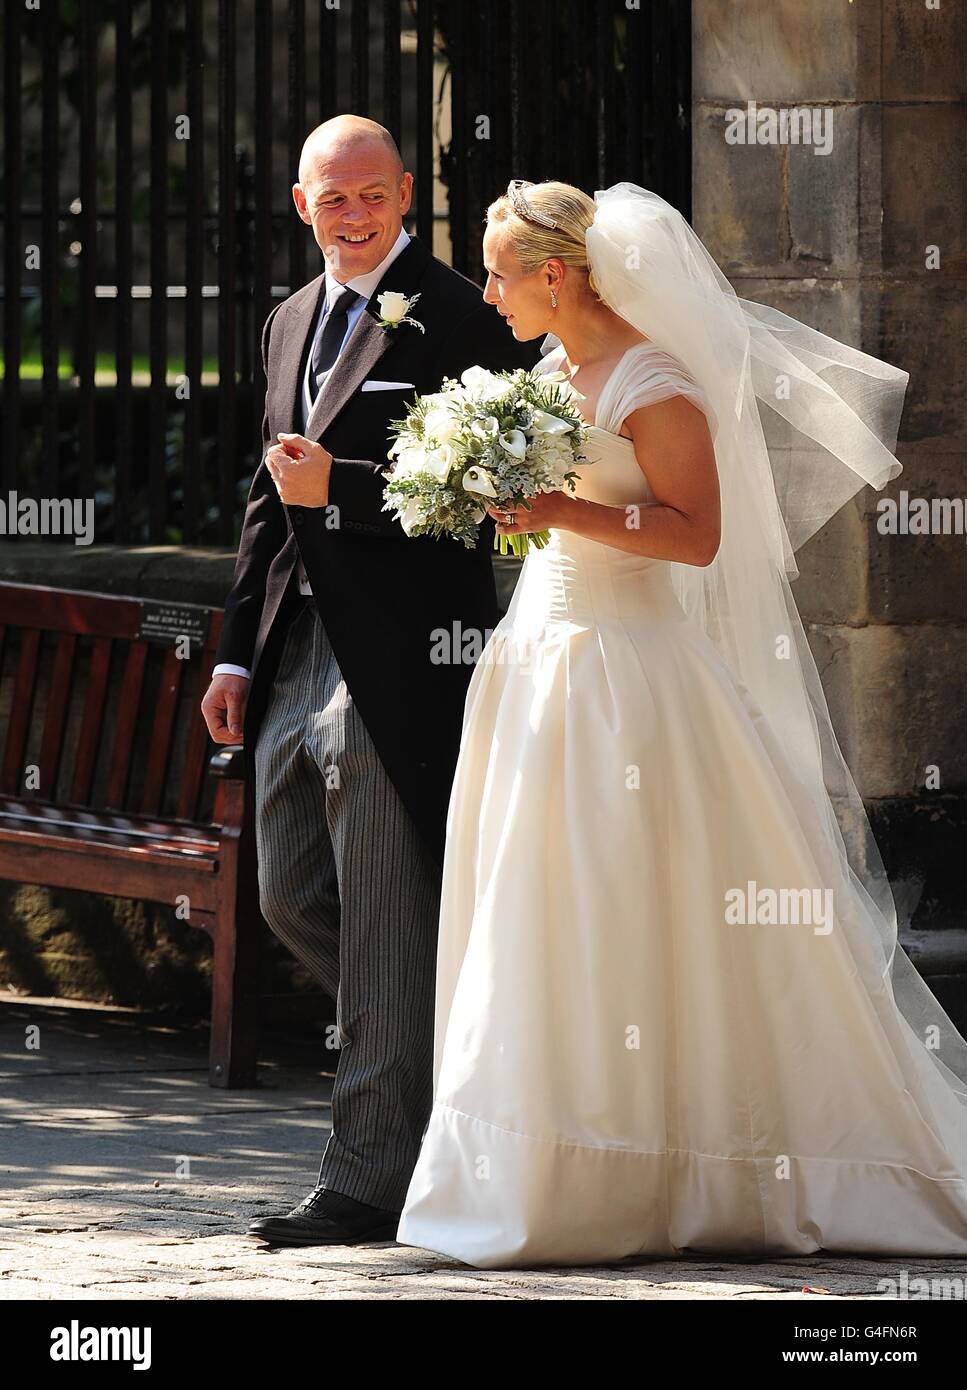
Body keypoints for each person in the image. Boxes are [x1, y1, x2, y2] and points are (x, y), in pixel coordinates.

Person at [395, 179, 967, 1268]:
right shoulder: (544, 375)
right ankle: (539, 1171)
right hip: (539, 661)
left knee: (632, 903)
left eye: (499, 269)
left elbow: (695, 536)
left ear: (554, 275)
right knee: (539, 905)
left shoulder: (653, 382)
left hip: (630, 679)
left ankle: (675, 1168)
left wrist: (558, 509)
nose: (487, 289)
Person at [200, 119, 538, 1247]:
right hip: (297, 648)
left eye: (371, 196)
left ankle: (369, 1175)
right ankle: (459, 1042)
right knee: (288, 891)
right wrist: (238, 652)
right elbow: (264, 501)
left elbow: (486, 492)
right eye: (330, 199)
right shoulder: (289, 319)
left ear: (404, 195)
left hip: (405, 651)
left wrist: (336, 489)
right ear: (302, 204)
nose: (352, 216)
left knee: (388, 905)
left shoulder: (458, 313)